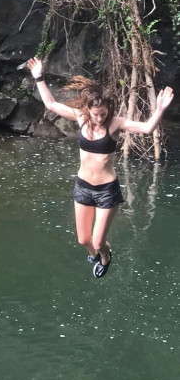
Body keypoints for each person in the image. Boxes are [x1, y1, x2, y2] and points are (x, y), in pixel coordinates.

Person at [26, 57, 174, 278]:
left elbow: (146, 128)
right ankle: (94, 254)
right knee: (84, 240)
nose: (98, 118)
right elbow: (51, 104)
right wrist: (39, 77)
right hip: (83, 187)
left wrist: (160, 109)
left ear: (108, 110)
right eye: (95, 114)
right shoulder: (81, 118)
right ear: (88, 110)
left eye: (103, 114)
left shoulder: (116, 123)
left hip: (106, 191)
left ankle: (105, 257)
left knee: (98, 240)